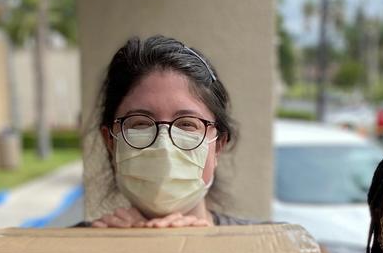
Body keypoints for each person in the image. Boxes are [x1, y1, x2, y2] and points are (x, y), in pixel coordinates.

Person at [82, 35, 254, 228]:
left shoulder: (266, 242)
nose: (163, 146)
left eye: (186, 124)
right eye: (141, 123)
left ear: (218, 145)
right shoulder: (70, 244)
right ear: (110, 142)